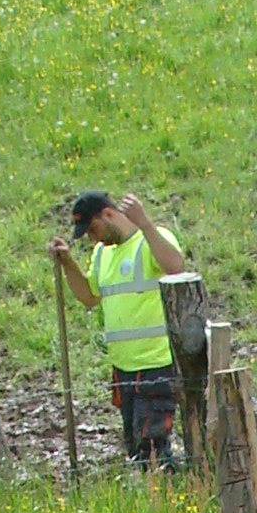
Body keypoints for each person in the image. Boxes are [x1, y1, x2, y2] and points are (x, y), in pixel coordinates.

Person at [51, 191, 186, 467]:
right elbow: (89, 296)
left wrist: (146, 224)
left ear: (109, 215)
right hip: (123, 369)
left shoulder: (152, 239)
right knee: (136, 450)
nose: (92, 238)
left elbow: (175, 266)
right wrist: (67, 263)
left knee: (153, 451)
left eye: (92, 229)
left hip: (156, 365)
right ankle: (160, 501)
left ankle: (169, 500)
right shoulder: (102, 254)